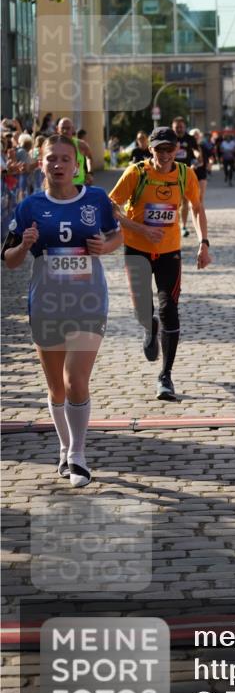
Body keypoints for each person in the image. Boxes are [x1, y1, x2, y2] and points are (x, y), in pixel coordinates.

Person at [2, 134, 122, 486]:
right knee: (56, 387)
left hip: (88, 301)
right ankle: (64, 446)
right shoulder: (29, 207)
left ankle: (78, 455)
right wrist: (23, 246)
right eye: (51, 158)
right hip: (46, 303)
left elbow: (118, 236)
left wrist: (105, 246)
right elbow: (8, 261)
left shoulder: (97, 199)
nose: (58, 165)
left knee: (75, 380)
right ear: (41, 163)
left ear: (77, 165)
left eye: (65, 159)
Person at [109, 126, 211, 401]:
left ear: (177, 149)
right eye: (159, 149)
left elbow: (198, 210)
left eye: (170, 149)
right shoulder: (136, 173)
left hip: (169, 252)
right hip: (137, 249)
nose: (165, 154)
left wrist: (204, 243)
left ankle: (165, 375)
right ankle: (148, 327)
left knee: (170, 309)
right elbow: (110, 206)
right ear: (150, 149)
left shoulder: (183, 174)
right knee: (144, 311)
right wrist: (139, 229)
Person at [171, 116, 200, 237]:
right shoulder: (169, 138)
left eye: (181, 127)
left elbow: (195, 152)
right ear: (173, 127)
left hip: (185, 173)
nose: (179, 129)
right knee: (171, 201)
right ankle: (172, 225)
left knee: (184, 200)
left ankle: (183, 226)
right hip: (170, 173)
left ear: (185, 127)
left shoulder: (190, 138)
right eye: (177, 127)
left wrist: (196, 159)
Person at [56, 118, 93, 186]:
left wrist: (89, 173)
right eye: (62, 128)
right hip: (60, 187)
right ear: (57, 129)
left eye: (68, 128)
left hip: (79, 186)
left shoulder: (81, 145)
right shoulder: (53, 147)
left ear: (73, 129)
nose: (65, 131)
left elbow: (89, 157)